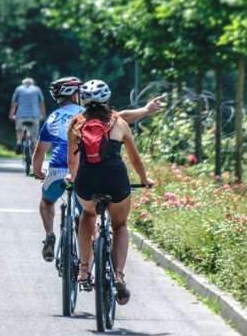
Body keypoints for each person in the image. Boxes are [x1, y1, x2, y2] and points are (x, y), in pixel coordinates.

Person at [33, 77, 162, 262]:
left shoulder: (55, 118)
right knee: (88, 216)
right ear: (76, 95)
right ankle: (96, 255)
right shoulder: (94, 116)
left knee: (47, 201)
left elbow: (40, 151)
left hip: (60, 171)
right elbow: (122, 116)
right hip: (92, 173)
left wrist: (38, 171)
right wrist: (146, 110)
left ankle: (50, 234)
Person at [66, 79, 153, 306]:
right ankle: (118, 276)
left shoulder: (76, 123)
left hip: (87, 181)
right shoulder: (119, 122)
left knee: (88, 215)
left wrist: (73, 178)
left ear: (82, 100)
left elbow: (72, 161)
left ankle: (84, 271)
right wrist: (144, 180)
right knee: (120, 225)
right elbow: (135, 159)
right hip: (115, 181)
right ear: (108, 99)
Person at [9, 77, 45, 153]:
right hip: (34, 116)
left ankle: (19, 143)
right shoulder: (37, 89)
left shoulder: (18, 89)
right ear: (32, 83)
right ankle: (34, 153)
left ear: (23, 83)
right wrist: (43, 115)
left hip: (21, 115)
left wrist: (11, 115)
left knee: (19, 130)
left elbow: (14, 104)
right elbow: (41, 104)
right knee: (34, 137)